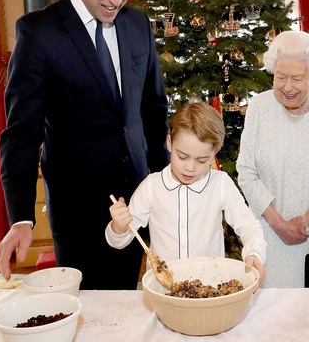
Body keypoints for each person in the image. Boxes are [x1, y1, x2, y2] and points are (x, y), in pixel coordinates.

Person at [0, 0, 170, 290]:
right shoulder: (39, 33)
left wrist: (165, 184)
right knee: (87, 311)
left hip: (137, 201)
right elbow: (21, 134)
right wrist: (21, 218)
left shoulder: (138, 24)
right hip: (78, 211)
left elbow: (154, 110)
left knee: (127, 302)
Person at [236, 31, 309, 288]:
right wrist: (278, 224)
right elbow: (246, 171)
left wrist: (306, 220)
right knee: (269, 308)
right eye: (281, 77)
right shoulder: (259, 107)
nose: (288, 87)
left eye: (297, 78)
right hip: (268, 236)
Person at [107, 102, 267, 285]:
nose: (190, 168)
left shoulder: (221, 184)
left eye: (201, 160)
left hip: (209, 287)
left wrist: (254, 253)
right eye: (182, 157)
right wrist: (119, 227)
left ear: (215, 152)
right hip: (163, 289)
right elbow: (119, 241)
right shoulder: (151, 186)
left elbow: (249, 226)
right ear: (169, 142)